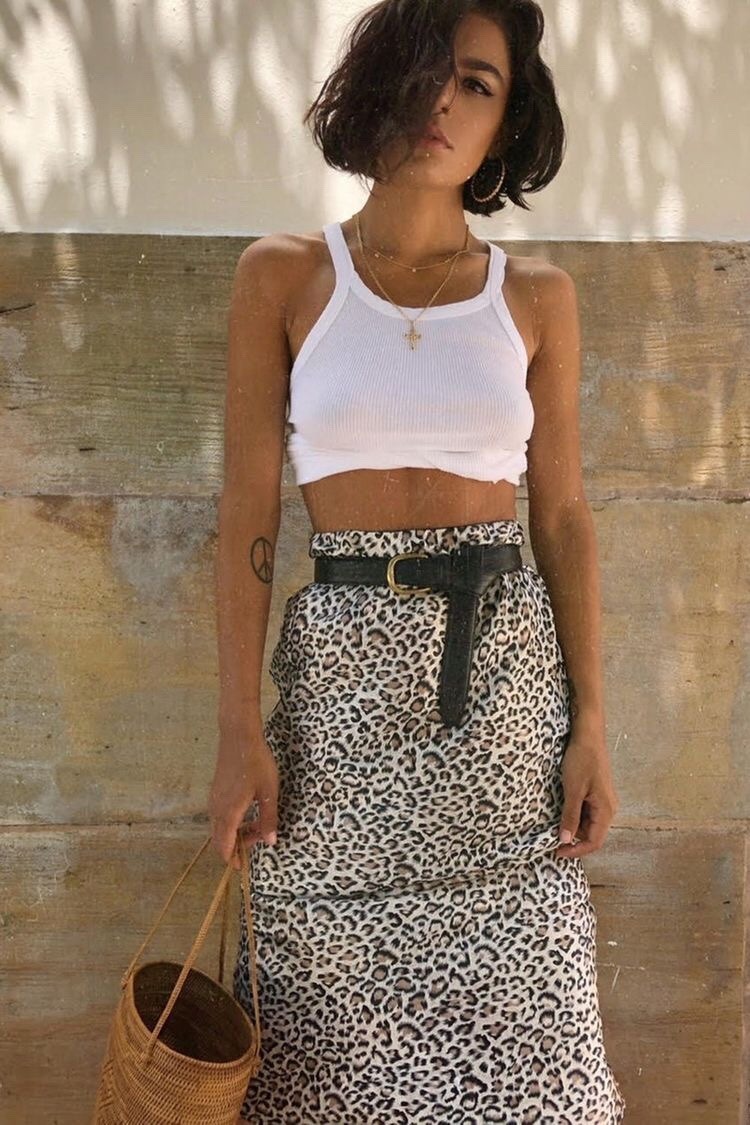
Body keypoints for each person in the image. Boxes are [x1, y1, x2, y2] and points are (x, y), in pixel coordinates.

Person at [210, 1, 627, 1120]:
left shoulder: (535, 297)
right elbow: (247, 513)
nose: (446, 99)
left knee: (534, 1047)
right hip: (339, 708)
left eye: (479, 84)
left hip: (502, 702)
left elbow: (565, 519)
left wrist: (592, 724)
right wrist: (239, 729)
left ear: (507, 120)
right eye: (430, 69)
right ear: (381, 78)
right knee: (317, 1037)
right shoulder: (283, 276)